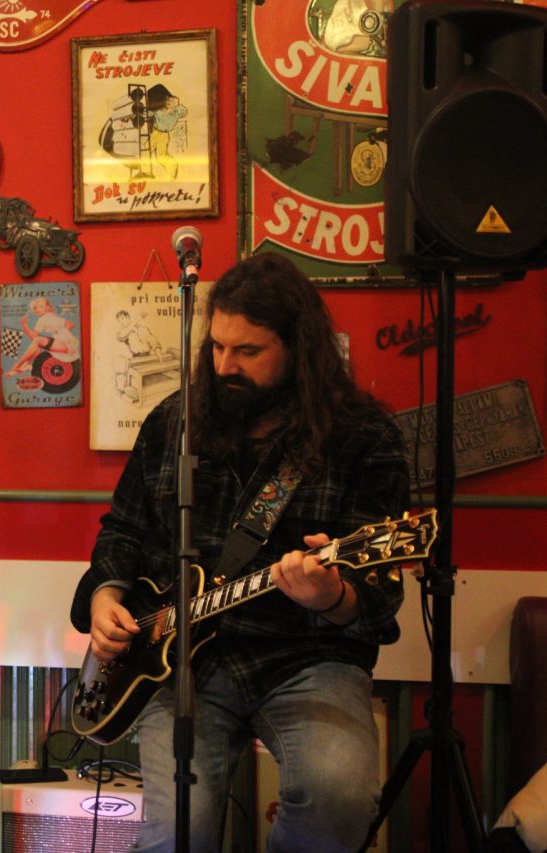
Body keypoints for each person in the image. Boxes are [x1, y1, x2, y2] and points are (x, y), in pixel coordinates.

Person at [71, 253, 409, 852]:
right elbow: (123, 529)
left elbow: (378, 601)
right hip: (177, 665)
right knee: (178, 833)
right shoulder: (174, 422)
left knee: (338, 798)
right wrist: (106, 598)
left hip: (306, 659)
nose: (226, 366)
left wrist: (332, 595)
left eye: (249, 352)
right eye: (219, 347)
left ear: (298, 350)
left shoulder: (363, 437)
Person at [5, 297, 80, 377]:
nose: (38, 309)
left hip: (68, 346)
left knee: (37, 341)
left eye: (41, 306)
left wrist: (24, 325)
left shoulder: (46, 318)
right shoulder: (47, 317)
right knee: (37, 345)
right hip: (65, 345)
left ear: (47, 307)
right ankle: (25, 365)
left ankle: (16, 366)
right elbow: (70, 324)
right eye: (36, 307)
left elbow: (70, 324)